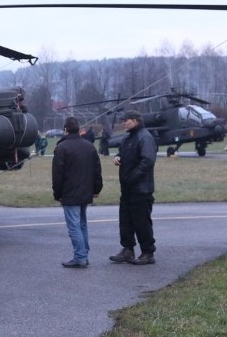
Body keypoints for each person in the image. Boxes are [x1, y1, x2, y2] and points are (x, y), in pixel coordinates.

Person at [52, 117, 103, 268]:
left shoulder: (61, 148)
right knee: (82, 224)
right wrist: (96, 188)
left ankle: (80, 256)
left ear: (65, 130)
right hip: (85, 191)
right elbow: (97, 170)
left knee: (74, 226)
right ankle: (83, 254)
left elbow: (57, 175)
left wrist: (57, 193)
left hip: (70, 192)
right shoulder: (89, 146)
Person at [109, 110, 158, 265]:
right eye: (123, 120)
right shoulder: (128, 138)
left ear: (136, 120)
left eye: (127, 120)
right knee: (125, 221)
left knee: (141, 221)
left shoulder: (145, 137)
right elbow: (124, 154)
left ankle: (148, 252)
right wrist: (117, 157)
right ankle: (127, 249)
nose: (124, 123)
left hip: (141, 189)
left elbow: (147, 161)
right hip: (127, 189)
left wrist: (132, 177)